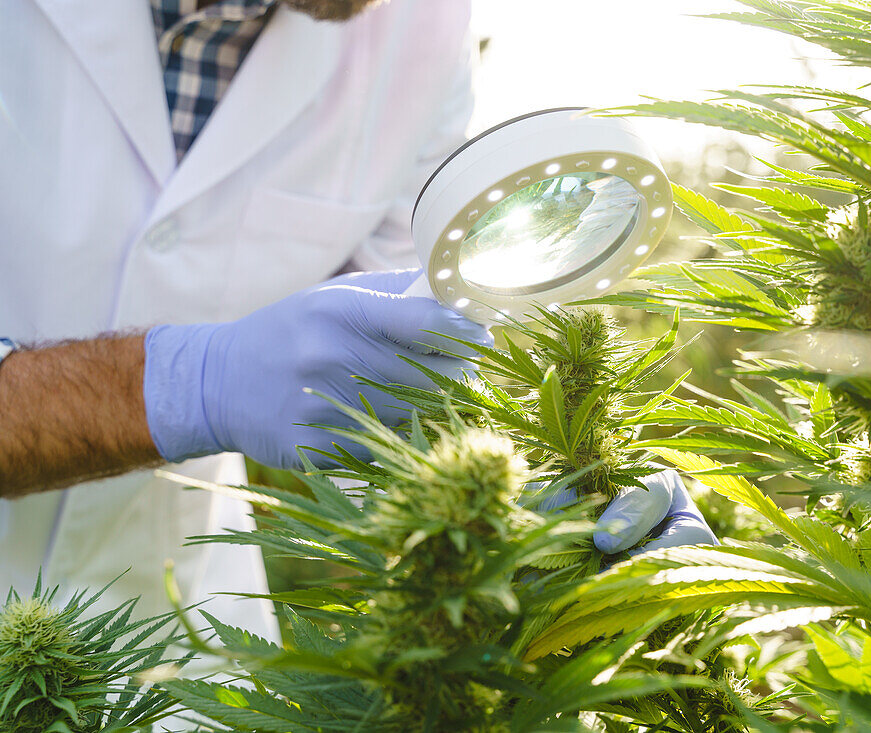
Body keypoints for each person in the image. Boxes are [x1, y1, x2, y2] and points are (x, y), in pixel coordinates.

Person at [0, 0, 714, 641]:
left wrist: (524, 507)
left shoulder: (421, 29)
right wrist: (187, 385)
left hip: (171, 619)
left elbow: (390, 364)